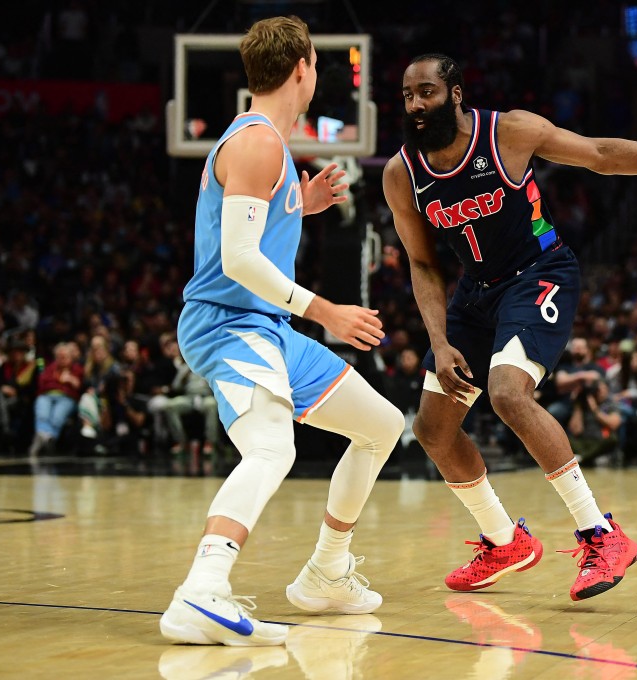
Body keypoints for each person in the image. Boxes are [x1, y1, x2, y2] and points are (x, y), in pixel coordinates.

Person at [382, 53, 637, 601]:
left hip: (539, 273)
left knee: (507, 393)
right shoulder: (401, 173)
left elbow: (598, 155)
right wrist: (439, 340)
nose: (415, 105)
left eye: (426, 92)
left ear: (454, 93)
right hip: (475, 292)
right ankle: (504, 541)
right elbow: (423, 263)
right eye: (407, 95)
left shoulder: (509, 132)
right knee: (433, 428)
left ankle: (602, 535)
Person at [159, 16, 404, 647]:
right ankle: (201, 590)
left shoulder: (273, 150)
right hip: (227, 323)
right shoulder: (257, 142)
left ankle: (326, 573)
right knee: (272, 447)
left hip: (265, 327)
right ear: (302, 68)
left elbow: (254, 227)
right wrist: (326, 312)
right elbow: (238, 259)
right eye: (316, 64)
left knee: (380, 425)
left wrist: (305, 200)